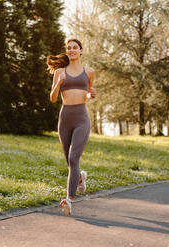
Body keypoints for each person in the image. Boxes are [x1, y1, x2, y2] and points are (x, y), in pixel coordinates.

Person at [47, 38, 97, 215]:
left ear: (81, 51)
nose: (72, 50)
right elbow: (53, 98)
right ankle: (80, 177)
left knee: (74, 157)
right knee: (70, 161)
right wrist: (59, 83)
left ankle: (69, 199)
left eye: (75, 48)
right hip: (65, 118)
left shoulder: (89, 71)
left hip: (81, 118)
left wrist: (92, 94)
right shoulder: (60, 72)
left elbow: (89, 92)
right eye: (69, 48)